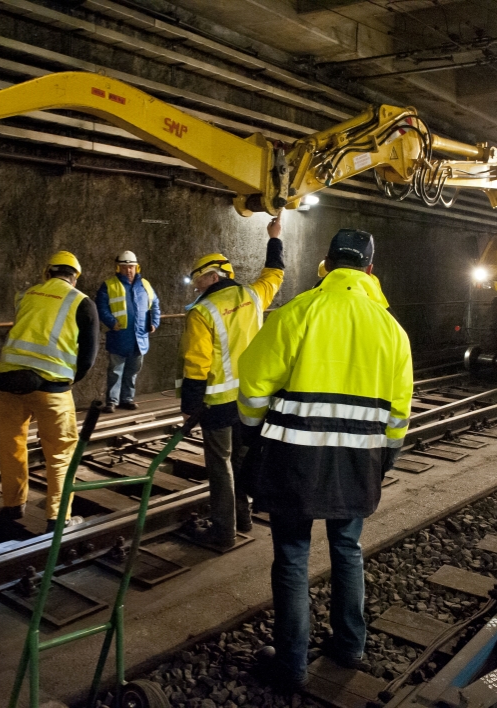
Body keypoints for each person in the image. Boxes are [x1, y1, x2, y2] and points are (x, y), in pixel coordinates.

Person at [237, 229, 413, 690]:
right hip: (358, 462)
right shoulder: (392, 331)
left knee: (293, 558)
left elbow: (254, 386)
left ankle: (291, 664)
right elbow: (399, 412)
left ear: (326, 265)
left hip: (294, 461)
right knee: (348, 549)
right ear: (370, 271)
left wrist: (250, 433)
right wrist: (384, 457)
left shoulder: (297, 313)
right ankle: (350, 645)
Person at [178, 213, 285, 549]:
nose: (196, 287)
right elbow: (275, 273)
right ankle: (243, 517)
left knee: (220, 466)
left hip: (218, 405)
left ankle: (223, 531)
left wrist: (190, 408)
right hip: (251, 400)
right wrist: (274, 237)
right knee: (240, 459)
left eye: (198, 281)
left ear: (212, 277)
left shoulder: (202, 312)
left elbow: (196, 364)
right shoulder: (253, 296)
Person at [0, 251, 99, 533]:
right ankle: (58, 518)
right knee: (60, 453)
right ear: (74, 277)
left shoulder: (27, 295)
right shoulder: (82, 302)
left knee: (13, 445)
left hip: (10, 381)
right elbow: (88, 358)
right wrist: (64, 380)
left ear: (47, 273)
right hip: (51, 389)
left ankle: (13, 505)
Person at [95, 251, 161, 413]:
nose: (128, 270)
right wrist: (111, 322)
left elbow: (155, 304)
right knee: (116, 371)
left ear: (136, 267)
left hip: (139, 337)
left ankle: (127, 398)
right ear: (118, 268)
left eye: (131, 267)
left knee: (132, 371)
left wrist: (154, 322)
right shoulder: (109, 285)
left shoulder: (144, 285)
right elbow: (101, 306)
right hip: (119, 336)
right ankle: (112, 401)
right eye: (125, 267)